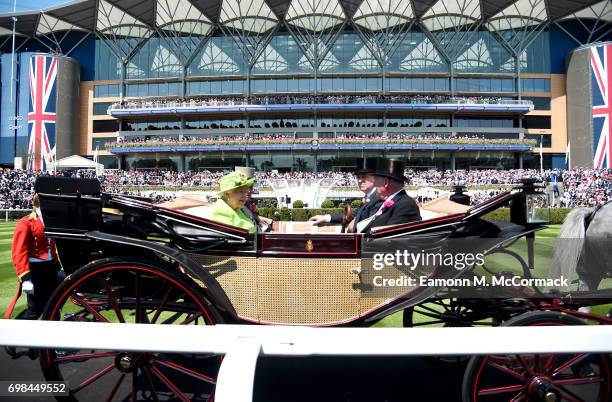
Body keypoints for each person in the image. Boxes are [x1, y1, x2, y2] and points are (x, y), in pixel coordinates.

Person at [4, 192, 63, 358]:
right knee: (35, 310)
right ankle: (12, 335)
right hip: (34, 271)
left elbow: (52, 248)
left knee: (54, 307)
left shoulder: (50, 221)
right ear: (38, 205)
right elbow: (19, 251)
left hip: (50, 268)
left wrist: (58, 266)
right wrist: (25, 278)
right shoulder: (26, 223)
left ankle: (51, 346)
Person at [309, 158, 382, 230]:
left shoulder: (379, 198)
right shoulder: (368, 197)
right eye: (358, 177)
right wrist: (325, 218)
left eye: (364, 177)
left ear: (375, 178)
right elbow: (351, 216)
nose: (360, 180)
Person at [355, 158, 421, 233]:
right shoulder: (384, 201)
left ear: (385, 182)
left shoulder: (405, 205)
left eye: (376, 180)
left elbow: (389, 237)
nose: (375, 184)